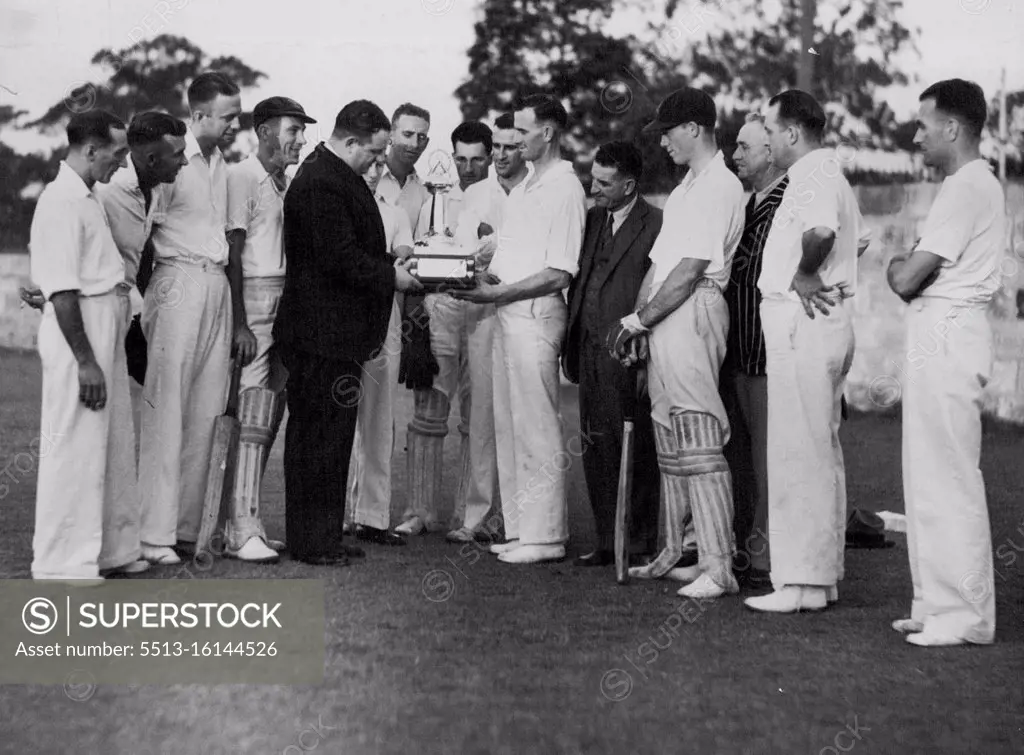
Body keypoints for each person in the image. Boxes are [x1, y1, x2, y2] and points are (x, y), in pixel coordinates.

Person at [608, 88, 746, 600]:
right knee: (668, 434)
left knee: (698, 435)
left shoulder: (720, 186)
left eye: (668, 132)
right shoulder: (688, 186)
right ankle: (677, 550)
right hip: (666, 312)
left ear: (693, 128)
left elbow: (689, 271)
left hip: (696, 307)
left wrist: (641, 320)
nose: (662, 143)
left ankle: (718, 565)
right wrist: (636, 323)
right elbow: (659, 265)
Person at [273, 100, 421, 566]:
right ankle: (312, 541)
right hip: (320, 335)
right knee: (317, 438)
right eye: (374, 154)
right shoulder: (320, 182)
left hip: (337, 336)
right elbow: (338, 258)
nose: (378, 163)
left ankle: (324, 535)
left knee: (332, 439)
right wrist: (391, 276)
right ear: (350, 141)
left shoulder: (337, 175)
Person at [886, 79, 1003, 646]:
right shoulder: (965, 185)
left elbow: (907, 277)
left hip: (950, 329)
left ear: (952, 129)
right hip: (940, 328)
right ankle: (936, 603)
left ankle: (966, 617)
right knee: (927, 474)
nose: (917, 136)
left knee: (951, 476)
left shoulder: (968, 186)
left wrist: (894, 266)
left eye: (924, 126)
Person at [744, 90, 870, 614]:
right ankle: (817, 578)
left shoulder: (815, 175)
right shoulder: (819, 174)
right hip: (811, 322)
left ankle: (801, 583)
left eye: (770, 131)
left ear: (792, 133)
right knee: (815, 450)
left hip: (805, 321)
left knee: (801, 453)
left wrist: (803, 272)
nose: (767, 140)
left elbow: (821, 232)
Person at [453, 94, 586, 564]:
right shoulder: (530, 185)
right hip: (508, 314)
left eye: (525, 132)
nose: (515, 141)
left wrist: (497, 294)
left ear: (546, 134)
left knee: (536, 428)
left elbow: (559, 273)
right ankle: (523, 529)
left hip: (535, 316)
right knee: (510, 428)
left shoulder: (565, 188)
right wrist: (487, 278)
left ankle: (547, 535)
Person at [28, 110, 149, 582]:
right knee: (74, 445)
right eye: (117, 153)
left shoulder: (90, 196)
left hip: (106, 322)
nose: (122, 163)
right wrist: (85, 361)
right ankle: (62, 562)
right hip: (79, 333)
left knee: (114, 440)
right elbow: (61, 290)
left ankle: (113, 550)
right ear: (91, 150)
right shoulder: (59, 201)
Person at [136, 71, 241, 565]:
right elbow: (141, 239)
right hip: (175, 281)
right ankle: (150, 534)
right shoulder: (171, 165)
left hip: (215, 283)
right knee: (167, 407)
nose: (235, 125)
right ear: (198, 115)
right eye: (228, 117)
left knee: (206, 408)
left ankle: (184, 528)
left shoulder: (221, 164)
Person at [223, 96, 317, 563]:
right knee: (253, 407)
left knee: (271, 410)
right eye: (292, 131)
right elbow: (233, 253)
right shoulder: (242, 176)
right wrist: (240, 322)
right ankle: (241, 529)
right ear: (263, 132)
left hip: (286, 298)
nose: (299, 140)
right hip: (255, 298)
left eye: (301, 132)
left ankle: (246, 518)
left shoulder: (283, 182)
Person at [397, 121, 499, 542]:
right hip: (439, 307)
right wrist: (414, 326)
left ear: (491, 157)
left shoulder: (504, 197)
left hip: (488, 310)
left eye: (478, 159)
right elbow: (416, 262)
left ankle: (470, 517)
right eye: (461, 158)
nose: (469, 167)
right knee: (428, 412)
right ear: (452, 156)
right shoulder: (435, 197)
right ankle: (419, 511)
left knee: (479, 418)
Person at [563, 141, 662, 567]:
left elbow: (657, 288)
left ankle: (637, 542)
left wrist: (642, 342)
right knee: (596, 445)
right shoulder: (590, 220)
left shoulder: (657, 223)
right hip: (587, 348)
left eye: (604, 182)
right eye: (593, 178)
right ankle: (606, 539)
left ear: (629, 184)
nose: (594, 187)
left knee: (636, 447)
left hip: (628, 353)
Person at [721, 114, 788, 590]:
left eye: (745, 147)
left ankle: (767, 558)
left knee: (770, 460)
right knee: (742, 459)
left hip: (769, 352)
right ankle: (747, 548)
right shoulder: (748, 205)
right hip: (740, 350)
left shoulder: (789, 201)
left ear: (771, 151)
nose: (735, 155)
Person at [344, 155, 415, 547]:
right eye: (367, 164)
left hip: (382, 316)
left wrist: (401, 258)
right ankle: (334, 516)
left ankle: (372, 518)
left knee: (379, 417)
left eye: (377, 166)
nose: (372, 173)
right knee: (337, 418)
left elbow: (403, 253)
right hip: (341, 315)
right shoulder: (337, 203)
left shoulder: (395, 211)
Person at [377, 103, 432, 232]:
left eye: (421, 137)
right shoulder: (364, 178)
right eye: (408, 134)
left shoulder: (424, 193)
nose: (414, 144)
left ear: (426, 143)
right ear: (390, 135)